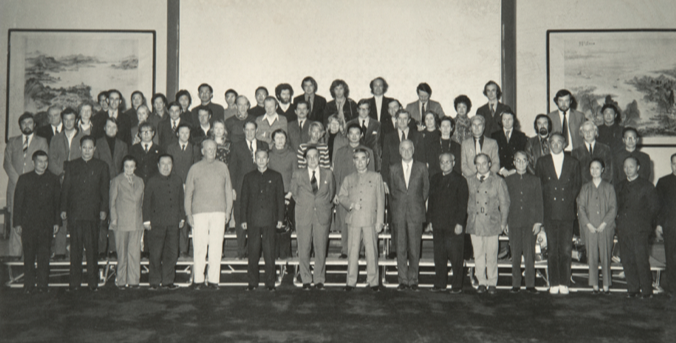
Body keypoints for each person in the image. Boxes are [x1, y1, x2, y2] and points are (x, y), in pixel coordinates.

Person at [61, 135, 110, 291]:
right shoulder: (71, 165)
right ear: (79, 148)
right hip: (75, 214)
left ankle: (92, 284)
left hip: (93, 214)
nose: (87, 151)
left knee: (92, 250)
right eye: (84, 148)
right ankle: (74, 283)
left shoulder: (102, 166)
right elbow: (65, 189)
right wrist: (63, 208)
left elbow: (104, 191)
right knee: (75, 250)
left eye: (90, 148)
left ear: (94, 149)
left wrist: (103, 209)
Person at [535, 133, 581, 295]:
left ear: (564, 144)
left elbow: (576, 186)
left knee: (566, 249)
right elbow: (538, 186)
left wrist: (567, 201)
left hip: (566, 211)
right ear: (548, 144)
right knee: (553, 249)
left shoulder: (573, 162)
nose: (555, 145)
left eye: (559, 142)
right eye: (552, 142)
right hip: (549, 211)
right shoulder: (542, 162)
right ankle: (553, 282)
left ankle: (564, 282)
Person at [185, 139, 234, 289]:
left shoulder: (223, 167)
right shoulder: (194, 168)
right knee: (199, 247)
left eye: (214, 149)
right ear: (202, 151)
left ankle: (213, 280)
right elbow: (188, 194)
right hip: (199, 213)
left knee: (216, 247)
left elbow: (228, 191)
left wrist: (228, 212)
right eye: (208, 149)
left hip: (219, 212)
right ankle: (198, 279)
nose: (211, 151)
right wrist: (188, 214)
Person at [13, 150, 60, 293]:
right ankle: (28, 285)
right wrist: (17, 223)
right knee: (29, 255)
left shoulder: (53, 179)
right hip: (28, 224)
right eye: (40, 161)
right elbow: (18, 203)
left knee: (44, 255)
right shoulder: (24, 179)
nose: (43, 164)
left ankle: (42, 285)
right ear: (33, 162)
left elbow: (56, 203)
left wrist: (56, 222)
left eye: (45, 161)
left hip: (46, 224)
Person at [338, 148, 385, 292]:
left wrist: (380, 221)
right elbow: (341, 196)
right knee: (352, 251)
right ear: (353, 161)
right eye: (357, 159)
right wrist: (350, 204)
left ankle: (373, 281)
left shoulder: (376, 177)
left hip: (370, 220)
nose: (360, 162)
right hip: (354, 220)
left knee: (372, 251)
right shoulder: (348, 178)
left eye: (363, 159)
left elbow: (381, 200)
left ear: (368, 160)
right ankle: (350, 281)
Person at [4, 112, 49, 260]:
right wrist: (20, 181)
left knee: (32, 223)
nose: (27, 125)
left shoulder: (42, 141)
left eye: (30, 122)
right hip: (15, 187)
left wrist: (29, 183)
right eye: (24, 123)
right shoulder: (12, 142)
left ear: (34, 125)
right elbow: (7, 163)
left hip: (34, 190)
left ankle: (30, 259)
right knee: (15, 224)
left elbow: (44, 163)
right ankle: (14, 258)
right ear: (20, 126)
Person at [290, 147, 335, 290]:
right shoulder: (298, 174)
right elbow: (294, 194)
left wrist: (323, 206)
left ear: (319, 158)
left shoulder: (328, 174)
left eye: (315, 156)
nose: (312, 159)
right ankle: (306, 279)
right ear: (304, 159)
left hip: (322, 215)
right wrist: (306, 204)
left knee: (321, 248)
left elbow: (332, 194)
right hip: (304, 214)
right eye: (309, 157)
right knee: (303, 248)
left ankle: (319, 279)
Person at [615, 156, 660, 298]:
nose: (628, 170)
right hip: (623, 229)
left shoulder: (647, 186)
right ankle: (632, 289)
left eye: (631, 167)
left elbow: (654, 209)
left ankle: (647, 291)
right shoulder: (620, 186)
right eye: (625, 167)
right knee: (627, 260)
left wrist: (647, 227)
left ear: (638, 168)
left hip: (640, 230)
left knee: (641, 260)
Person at [241, 149, 285, 291]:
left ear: (268, 159)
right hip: (253, 219)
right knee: (253, 252)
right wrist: (243, 219)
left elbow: (280, 199)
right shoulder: (248, 177)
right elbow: (244, 200)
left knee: (269, 252)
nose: (261, 160)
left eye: (263, 157)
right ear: (255, 159)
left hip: (270, 220)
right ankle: (252, 283)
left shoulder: (276, 176)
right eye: (258, 157)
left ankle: (270, 284)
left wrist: (280, 218)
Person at [466, 153, 510, 295]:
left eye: (484, 163)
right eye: (478, 164)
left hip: (492, 222)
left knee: (491, 254)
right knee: (478, 254)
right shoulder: (469, 180)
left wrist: (503, 223)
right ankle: (481, 282)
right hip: (476, 222)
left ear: (490, 164)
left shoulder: (498, 181)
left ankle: (492, 282)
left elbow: (505, 203)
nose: (481, 166)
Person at [389, 140, 429, 291]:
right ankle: (403, 280)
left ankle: (413, 280)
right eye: (403, 149)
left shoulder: (421, 167)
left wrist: (416, 203)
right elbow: (393, 191)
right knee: (400, 248)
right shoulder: (393, 168)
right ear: (399, 151)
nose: (406, 152)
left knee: (414, 248)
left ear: (413, 150)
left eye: (409, 149)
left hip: (416, 213)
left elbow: (425, 190)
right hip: (399, 213)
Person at [427, 153, 468, 293]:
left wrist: (459, 223)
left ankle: (457, 285)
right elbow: (431, 202)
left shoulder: (460, 180)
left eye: (448, 162)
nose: (445, 165)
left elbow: (463, 205)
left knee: (456, 256)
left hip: (453, 225)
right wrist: (430, 221)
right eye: (442, 162)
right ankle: (440, 283)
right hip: (438, 223)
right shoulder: (435, 178)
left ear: (454, 162)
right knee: (439, 256)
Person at [332, 124, 376, 258]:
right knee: (346, 222)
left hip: (363, 192)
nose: (354, 136)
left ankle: (361, 250)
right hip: (345, 193)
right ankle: (345, 250)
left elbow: (373, 174)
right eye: (351, 133)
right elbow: (336, 174)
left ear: (361, 135)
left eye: (357, 133)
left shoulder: (368, 151)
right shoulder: (340, 152)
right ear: (347, 135)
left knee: (363, 221)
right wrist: (336, 192)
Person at [143, 154, 185, 290]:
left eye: (169, 164)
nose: (166, 167)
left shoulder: (178, 180)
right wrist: (146, 220)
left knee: (171, 253)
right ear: (158, 165)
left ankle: (168, 281)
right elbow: (146, 202)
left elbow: (180, 200)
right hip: (157, 223)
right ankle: (154, 282)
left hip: (173, 222)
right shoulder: (152, 181)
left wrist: (181, 217)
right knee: (155, 253)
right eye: (163, 163)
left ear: (172, 165)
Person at [229, 121, 270, 259]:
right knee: (241, 219)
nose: (250, 132)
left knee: (259, 220)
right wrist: (233, 188)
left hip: (261, 190)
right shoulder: (236, 146)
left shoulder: (264, 145)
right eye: (247, 130)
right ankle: (241, 251)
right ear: (243, 130)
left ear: (257, 130)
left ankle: (258, 252)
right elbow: (232, 169)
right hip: (241, 189)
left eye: (252, 129)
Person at [48, 108, 84, 260]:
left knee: (77, 218)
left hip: (78, 185)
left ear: (76, 120)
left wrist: (74, 176)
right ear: (62, 121)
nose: (69, 122)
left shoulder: (84, 137)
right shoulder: (56, 139)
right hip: (60, 183)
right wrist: (62, 173)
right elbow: (51, 161)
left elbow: (86, 159)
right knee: (60, 217)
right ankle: (60, 251)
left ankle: (77, 252)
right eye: (66, 119)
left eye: (72, 119)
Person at [505, 151, 543, 293]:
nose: (521, 163)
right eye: (517, 160)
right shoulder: (508, 180)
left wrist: (538, 222)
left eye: (523, 160)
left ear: (528, 162)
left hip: (530, 222)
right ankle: (515, 284)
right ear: (513, 163)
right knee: (515, 254)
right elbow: (504, 203)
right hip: (513, 221)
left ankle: (530, 284)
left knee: (529, 254)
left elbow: (539, 202)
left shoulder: (534, 180)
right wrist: (505, 223)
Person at [577, 158, 617, 295]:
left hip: (605, 227)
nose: (594, 171)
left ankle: (606, 284)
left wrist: (604, 223)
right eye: (592, 168)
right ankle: (594, 284)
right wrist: (588, 224)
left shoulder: (609, 187)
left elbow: (613, 207)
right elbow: (580, 207)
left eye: (597, 168)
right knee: (592, 256)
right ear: (589, 170)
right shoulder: (585, 188)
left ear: (603, 170)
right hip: (590, 228)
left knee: (606, 255)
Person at [109, 155, 144, 289]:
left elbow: (142, 202)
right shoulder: (117, 181)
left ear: (135, 167)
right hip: (121, 222)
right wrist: (114, 219)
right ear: (123, 167)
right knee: (122, 253)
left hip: (136, 222)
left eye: (132, 166)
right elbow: (111, 202)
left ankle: (134, 281)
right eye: (126, 166)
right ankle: (122, 281)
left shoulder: (140, 181)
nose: (129, 169)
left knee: (135, 253)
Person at [167, 123, 201, 258]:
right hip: (174, 186)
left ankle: (184, 249)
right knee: (175, 216)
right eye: (182, 133)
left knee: (186, 215)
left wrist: (189, 184)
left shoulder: (194, 148)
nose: (184, 135)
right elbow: (168, 167)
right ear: (177, 134)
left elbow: (196, 168)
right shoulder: (171, 148)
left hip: (189, 187)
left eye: (187, 133)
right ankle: (173, 248)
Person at [268, 129, 298, 259]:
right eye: (277, 138)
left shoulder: (292, 155)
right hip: (272, 195)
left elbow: (295, 176)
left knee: (286, 227)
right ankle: (274, 256)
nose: (280, 140)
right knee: (273, 226)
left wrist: (290, 193)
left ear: (286, 139)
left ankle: (286, 257)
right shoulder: (268, 155)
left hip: (287, 195)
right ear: (273, 139)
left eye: (282, 138)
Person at [655, 153, 676, 299]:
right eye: (674, 163)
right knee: (671, 257)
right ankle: (672, 289)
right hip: (670, 225)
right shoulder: (663, 182)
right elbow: (658, 206)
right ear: (671, 164)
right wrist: (658, 224)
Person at [572, 121, 614, 186]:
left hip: (602, 187)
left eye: (590, 130)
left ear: (595, 132)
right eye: (585, 131)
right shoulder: (576, 152)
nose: (588, 133)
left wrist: (600, 185)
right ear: (582, 133)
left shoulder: (605, 149)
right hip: (583, 188)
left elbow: (609, 171)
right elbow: (575, 174)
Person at [347, 99, 381, 171]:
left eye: (366, 109)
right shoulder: (349, 124)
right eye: (361, 109)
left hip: (373, 160)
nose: (363, 111)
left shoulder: (377, 124)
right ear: (357, 110)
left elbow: (380, 144)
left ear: (369, 110)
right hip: (356, 161)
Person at [492, 111, 528, 178]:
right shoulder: (495, 136)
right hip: (500, 172)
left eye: (509, 119)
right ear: (501, 121)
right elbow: (493, 155)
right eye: (504, 119)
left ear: (514, 120)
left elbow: (523, 154)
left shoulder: (521, 136)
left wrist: (514, 169)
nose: (507, 122)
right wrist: (502, 169)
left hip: (516, 171)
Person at [94, 118, 128, 185]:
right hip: (102, 181)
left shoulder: (123, 145)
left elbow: (125, 165)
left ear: (117, 129)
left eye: (114, 127)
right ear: (104, 128)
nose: (111, 130)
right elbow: (96, 164)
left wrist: (119, 179)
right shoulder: (97, 143)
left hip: (119, 181)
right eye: (109, 127)